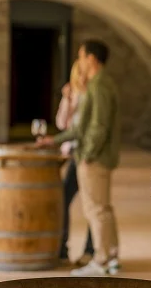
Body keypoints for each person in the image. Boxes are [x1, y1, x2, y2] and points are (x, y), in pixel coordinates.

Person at [38, 39, 121, 276]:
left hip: (94, 158)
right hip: (96, 155)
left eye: (82, 56)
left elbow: (98, 127)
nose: (79, 62)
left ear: (92, 59)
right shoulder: (98, 84)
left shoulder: (99, 86)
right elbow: (80, 127)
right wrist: (54, 140)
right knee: (103, 208)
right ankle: (111, 257)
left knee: (96, 209)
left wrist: (86, 155)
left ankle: (101, 261)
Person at [55, 60, 95, 266]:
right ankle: (62, 247)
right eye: (78, 73)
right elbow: (62, 123)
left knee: (92, 203)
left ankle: (89, 250)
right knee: (64, 197)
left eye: (84, 72)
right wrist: (67, 100)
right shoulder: (74, 94)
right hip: (71, 155)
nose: (81, 77)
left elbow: (81, 130)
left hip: (84, 155)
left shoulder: (92, 95)